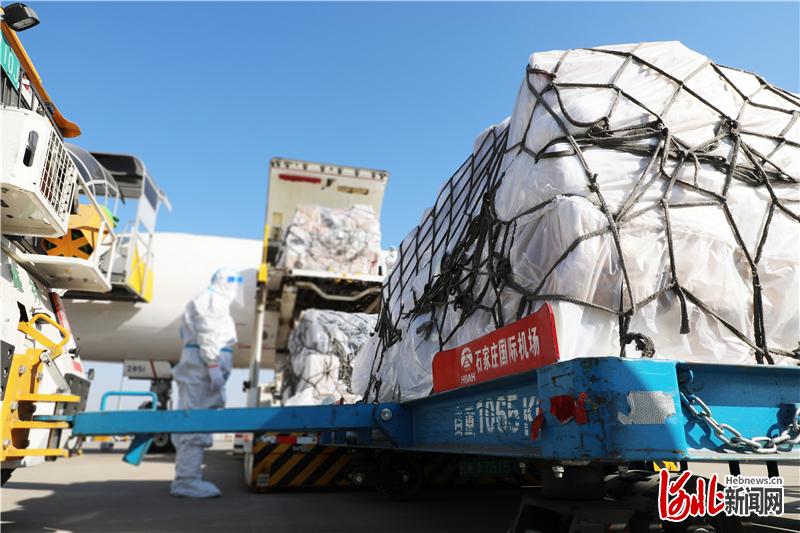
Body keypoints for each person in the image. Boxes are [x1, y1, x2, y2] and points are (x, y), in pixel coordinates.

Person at [170, 268, 244, 498]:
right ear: (222, 281)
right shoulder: (211, 300)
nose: (235, 285)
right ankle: (187, 481)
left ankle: (188, 478)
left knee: (198, 420)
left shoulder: (214, 300)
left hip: (201, 368)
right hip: (201, 369)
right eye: (232, 280)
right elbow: (208, 333)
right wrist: (213, 365)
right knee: (195, 423)